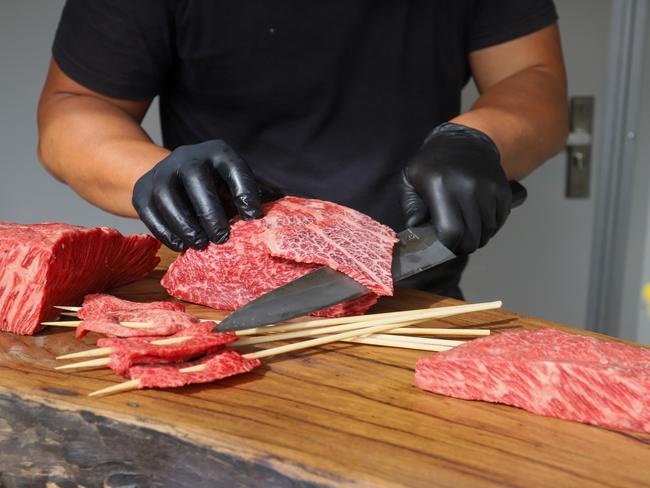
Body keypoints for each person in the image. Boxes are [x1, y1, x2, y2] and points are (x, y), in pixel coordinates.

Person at [38, 1, 568, 299]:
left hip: (412, 297)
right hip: (220, 299)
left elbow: (533, 76)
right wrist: (151, 171)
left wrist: (478, 137)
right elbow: (73, 107)